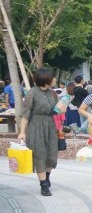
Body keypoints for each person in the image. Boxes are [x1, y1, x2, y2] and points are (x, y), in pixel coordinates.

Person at [15, 67, 61, 197]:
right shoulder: (32, 93)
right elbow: (25, 114)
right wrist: (22, 132)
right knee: (40, 154)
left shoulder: (53, 93)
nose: (54, 79)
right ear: (46, 79)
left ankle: (46, 177)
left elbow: (56, 110)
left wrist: (61, 109)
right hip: (35, 125)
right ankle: (43, 185)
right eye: (52, 77)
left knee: (52, 154)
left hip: (50, 125)